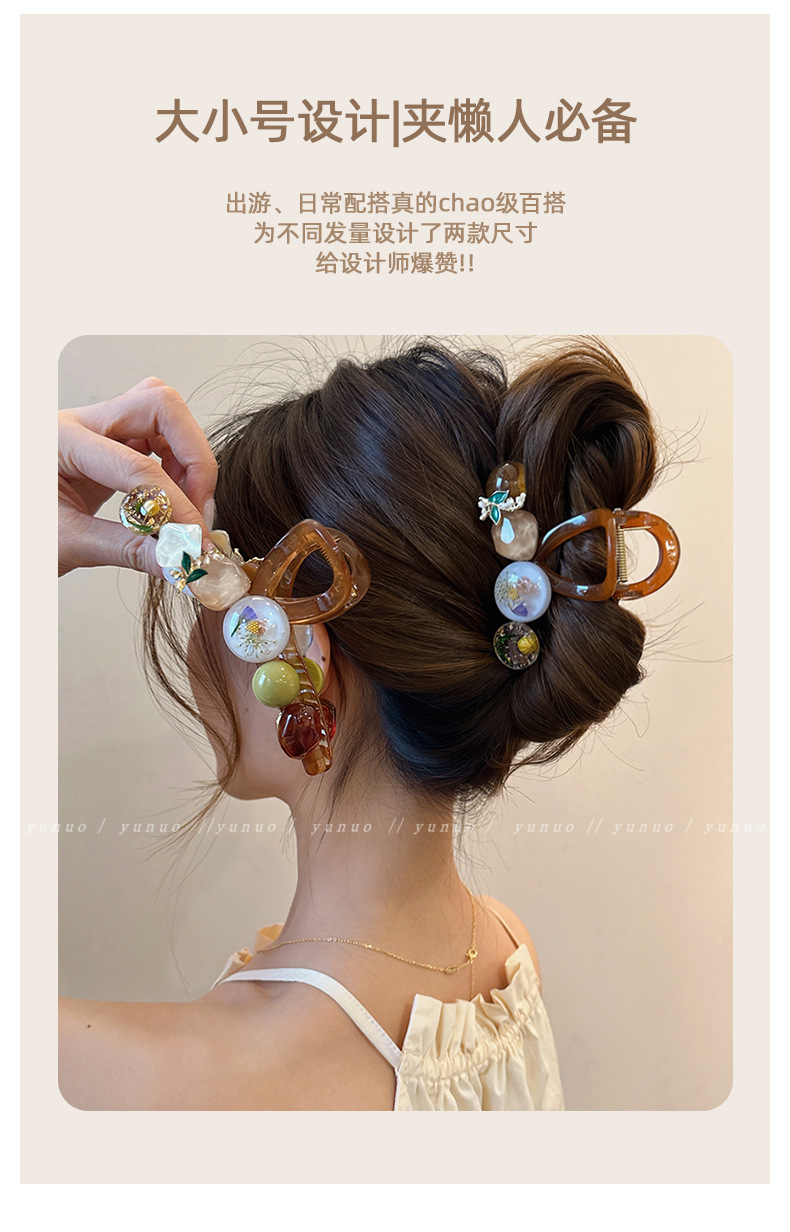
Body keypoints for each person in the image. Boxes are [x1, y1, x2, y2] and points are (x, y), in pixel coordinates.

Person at [58, 339, 678, 1112]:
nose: (195, 645)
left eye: (208, 596)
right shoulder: (506, 959)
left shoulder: (160, 1075)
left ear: (298, 650)